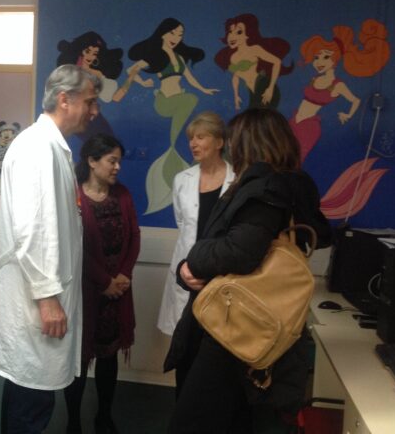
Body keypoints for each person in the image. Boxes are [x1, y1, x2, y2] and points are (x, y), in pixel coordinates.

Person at [165, 108, 332, 433]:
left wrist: (192, 259)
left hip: (234, 323)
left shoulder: (265, 189)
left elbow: (240, 251)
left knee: (195, 419)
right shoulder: (290, 187)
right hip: (261, 321)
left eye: (235, 141)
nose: (231, 148)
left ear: (248, 144)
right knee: (239, 416)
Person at [0, 64, 102, 433]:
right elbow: (33, 229)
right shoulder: (37, 147)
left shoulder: (52, 147)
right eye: (90, 102)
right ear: (65, 100)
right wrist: (48, 298)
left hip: (42, 297)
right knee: (31, 401)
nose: (95, 111)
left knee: (27, 393)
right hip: (39, 301)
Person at [64, 134, 141, 434]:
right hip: (85, 294)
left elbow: (134, 237)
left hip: (117, 292)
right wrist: (104, 281)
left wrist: (124, 275)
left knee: (109, 358)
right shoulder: (73, 196)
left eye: (119, 161)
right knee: (79, 361)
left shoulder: (122, 194)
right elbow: (74, 246)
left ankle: (104, 417)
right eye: (112, 161)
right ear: (92, 161)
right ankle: (73, 423)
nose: (117, 167)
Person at [156, 112, 235, 393]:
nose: (193, 143)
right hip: (188, 274)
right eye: (191, 138)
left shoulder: (238, 180)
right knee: (185, 349)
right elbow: (184, 224)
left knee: (217, 351)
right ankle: (183, 406)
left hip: (222, 276)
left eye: (201, 137)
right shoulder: (182, 180)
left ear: (219, 142)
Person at [127, 18, 219, 214]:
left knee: (193, 111)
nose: (176, 38)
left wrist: (204, 89)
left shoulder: (179, 58)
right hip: (165, 103)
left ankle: (176, 155)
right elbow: (131, 70)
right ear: (162, 33)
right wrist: (143, 83)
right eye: (172, 33)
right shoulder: (156, 56)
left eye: (180, 35)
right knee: (191, 102)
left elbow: (190, 79)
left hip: (180, 101)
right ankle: (173, 146)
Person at [289, 20, 389, 164]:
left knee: (297, 160)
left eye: (325, 57)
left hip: (308, 126)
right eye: (316, 57)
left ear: (335, 59)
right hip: (294, 120)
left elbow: (355, 100)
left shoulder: (338, 85)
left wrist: (348, 115)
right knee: (282, 157)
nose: (319, 62)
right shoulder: (315, 78)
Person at [214, 13, 293, 111]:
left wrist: (270, 88)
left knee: (262, 117)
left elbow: (277, 62)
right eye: (230, 32)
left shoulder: (254, 49)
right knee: (254, 117)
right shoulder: (233, 57)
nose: (232, 36)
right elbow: (236, 76)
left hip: (263, 86)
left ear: (248, 35)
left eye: (239, 32)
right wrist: (236, 96)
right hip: (251, 90)